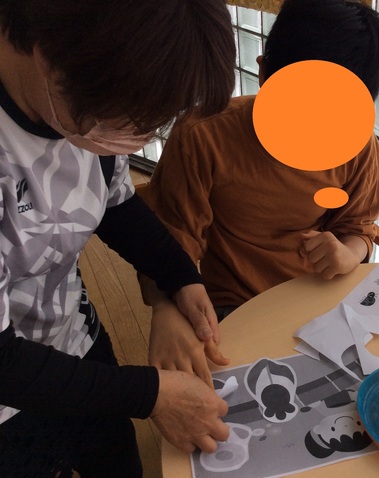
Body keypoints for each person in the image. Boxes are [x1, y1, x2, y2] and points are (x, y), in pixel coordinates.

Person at [0, 0, 237, 476]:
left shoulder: (84, 91)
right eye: (127, 122)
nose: (140, 139)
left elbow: (114, 203)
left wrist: (179, 277)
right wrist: (152, 394)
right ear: (49, 57)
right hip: (9, 395)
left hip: (72, 335)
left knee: (114, 459)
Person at [144, 0, 379, 326]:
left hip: (322, 299)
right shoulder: (203, 136)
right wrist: (171, 309)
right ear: (263, 73)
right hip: (235, 306)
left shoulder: (359, 146)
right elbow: (175, 245)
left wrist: (349, 254)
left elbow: (357, 228)